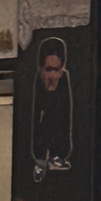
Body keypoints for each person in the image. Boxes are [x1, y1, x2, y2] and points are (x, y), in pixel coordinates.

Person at [32, 38, 73, 181]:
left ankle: (57, 156)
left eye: (57, 70)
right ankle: (41, 161)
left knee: (60, 119)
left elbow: (66, 111)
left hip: (58, 120)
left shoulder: (63, 79)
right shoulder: (39, 80)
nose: (53, 76)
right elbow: (36, 113)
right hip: (43, 121)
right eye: (49, 70)